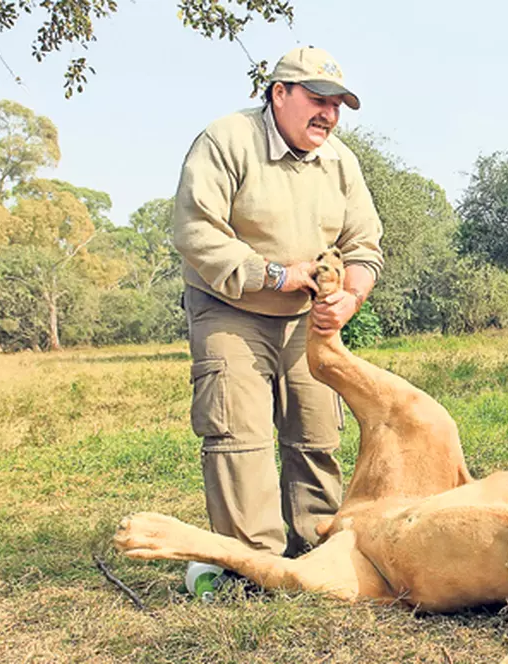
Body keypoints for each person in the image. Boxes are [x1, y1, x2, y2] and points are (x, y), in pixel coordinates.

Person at [172, 46, 383, 558]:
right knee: (239, 438)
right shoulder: (227, 140)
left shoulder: (341, 162)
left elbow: (363, 246)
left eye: (337, 105)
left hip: (307, 318)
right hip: (229, 309)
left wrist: (351, 298)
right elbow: (195, 231)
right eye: (318, 99)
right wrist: (276, 274)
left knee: (316, 433)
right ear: (280, 94)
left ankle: (317, 551)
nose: (328, 114)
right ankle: (253, 562)